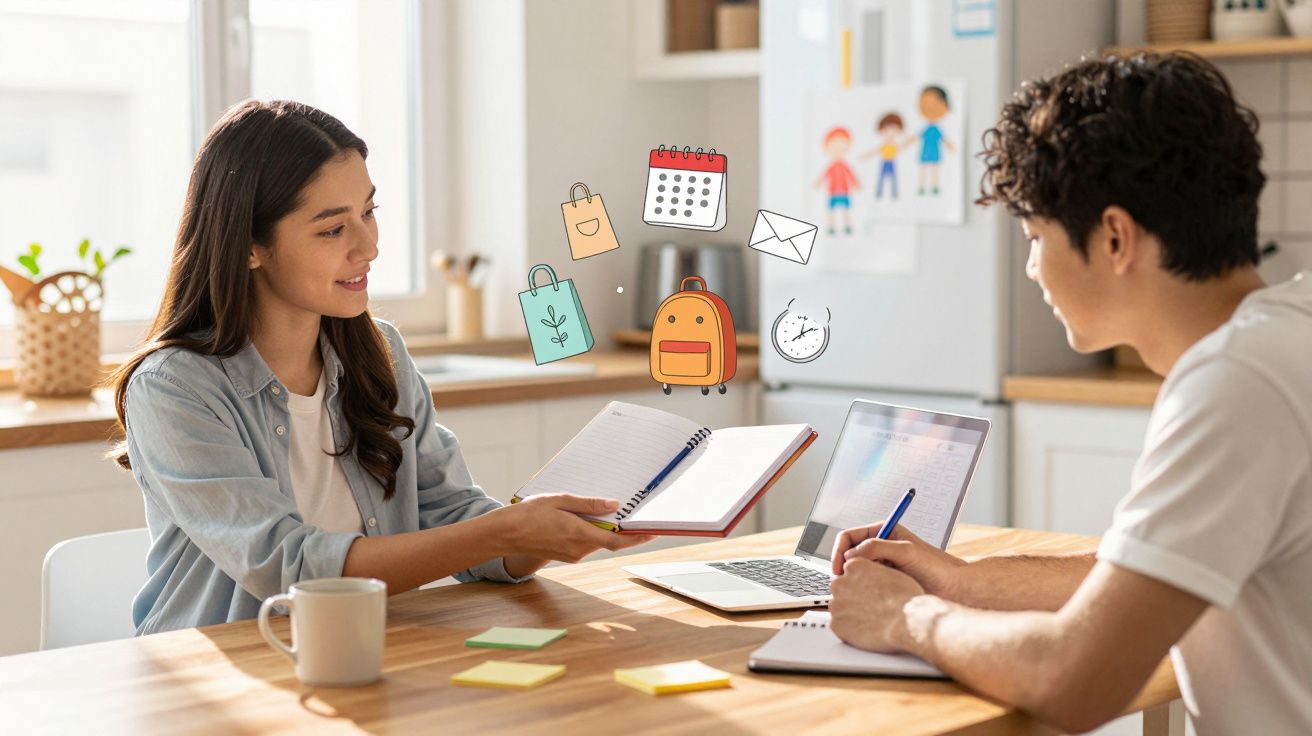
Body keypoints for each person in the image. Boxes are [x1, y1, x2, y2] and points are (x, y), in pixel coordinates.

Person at [827, 53, 1312, 735]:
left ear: (1114, 237)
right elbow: (1139, 576)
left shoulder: (1236, 383)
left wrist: (902, 616)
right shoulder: (1288, 331)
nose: (1031, 269)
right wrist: (957, 581)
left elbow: (1074, 680)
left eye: (1035, 238)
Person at [108, 100, 653, 635]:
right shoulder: (173, 389)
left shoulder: (380, 353)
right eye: (332, 229)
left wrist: (536, 536)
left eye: (368, 212)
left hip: (374, 653)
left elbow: (449, 512)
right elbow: (288, 567)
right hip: (221, 682)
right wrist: (503, 532)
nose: (368, 246)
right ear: (250, 246)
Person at [905, 85, 954, 196]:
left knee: (934, 169)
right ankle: (922, 186)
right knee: (924, 169)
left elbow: (944, 139)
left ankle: (934, 186)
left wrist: (951, 146)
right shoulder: (926, 129)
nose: (929, 110)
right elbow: (916, 137)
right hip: (926, 151)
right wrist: (905, 143)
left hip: (934, 151)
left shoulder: (936, 129)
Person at [815, 126, 859, 235]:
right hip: (833, 192)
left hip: (844, 192)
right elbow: (824, 176)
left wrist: (856, 184)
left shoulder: (845, 166)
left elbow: (851, 176)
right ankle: (831, 226)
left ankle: (847, 225)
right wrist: (819, 182)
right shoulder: (831, 166)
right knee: (832, 211)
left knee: (846, 210)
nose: (839, 151)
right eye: (835, 148)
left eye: (843, 148)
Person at [862, 112, 904, 200]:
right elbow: (875, 151)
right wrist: (866, 156)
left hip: (891, 162)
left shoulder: (894, 145)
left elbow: (901, 148)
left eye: (894, 129)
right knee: (881, 179)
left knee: (893, 179)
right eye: (887, 130)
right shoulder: (884, 145)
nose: (891, 132)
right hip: (885, 162)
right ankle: (879, 192)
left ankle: (894, 192)